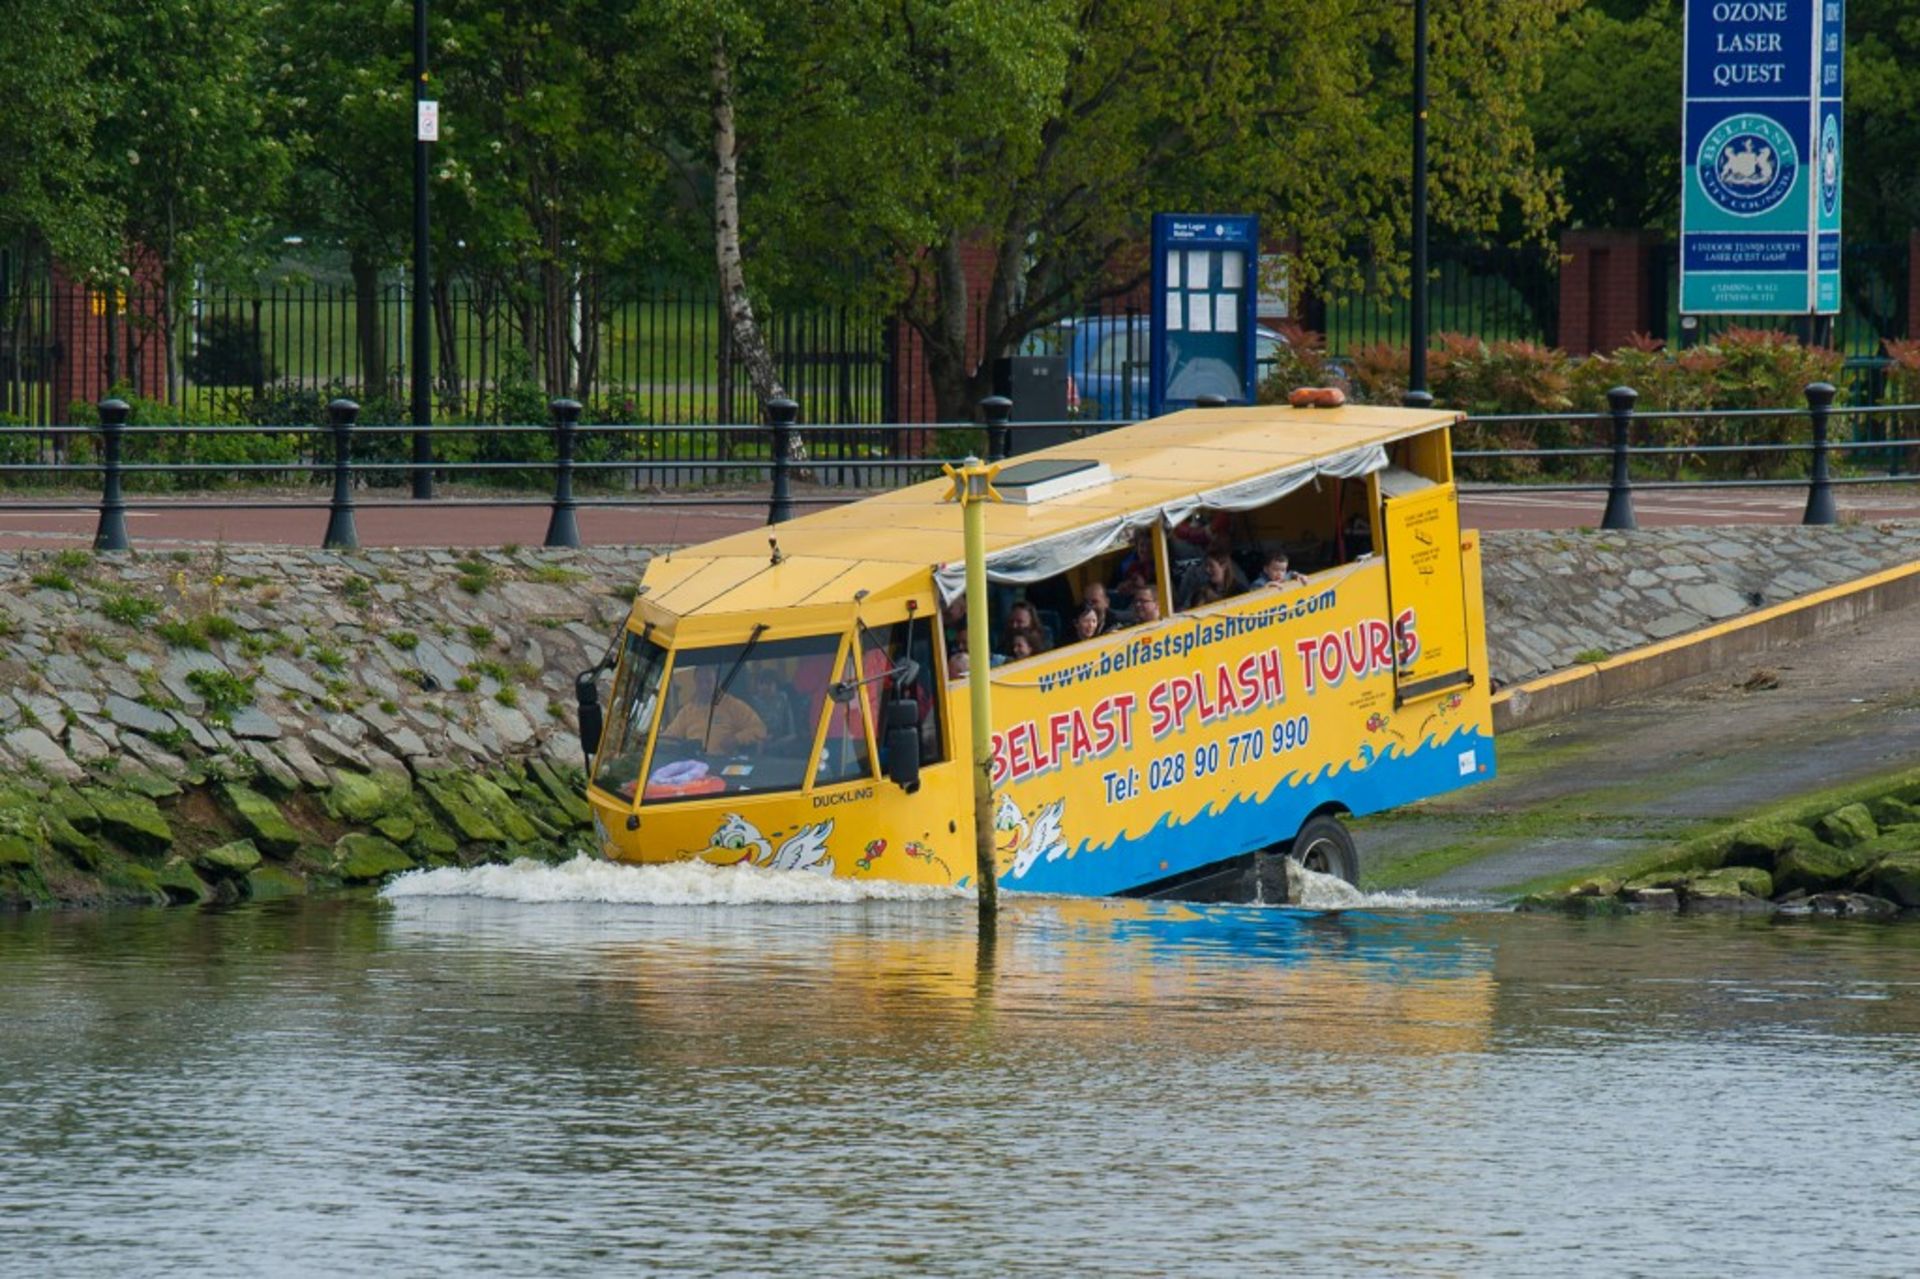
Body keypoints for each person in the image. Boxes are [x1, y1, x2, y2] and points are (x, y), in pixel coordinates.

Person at [659, 664, 767, 754]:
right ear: (695, 683)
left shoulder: (732, 705)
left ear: (718, 682)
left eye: (709, 681)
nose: (704, 686)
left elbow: (759, 729)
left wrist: (736, 739)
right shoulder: (686, 711)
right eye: (700, 682)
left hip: (723, 764)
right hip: (695, 767)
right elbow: (669, 738)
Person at [1178, 544, 1244, 610]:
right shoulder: (1201, 588)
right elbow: (1185, 608)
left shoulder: (1239, 591)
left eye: (1211, 566)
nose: (1207, 570)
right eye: (1206, 566)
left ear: (1223, 566)